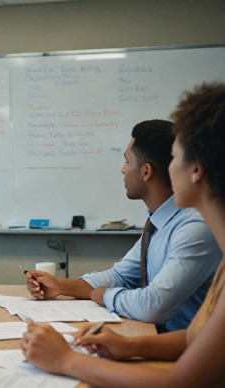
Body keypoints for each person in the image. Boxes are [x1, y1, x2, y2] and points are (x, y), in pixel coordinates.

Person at [21, 82, 225, 386]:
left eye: (177, 156)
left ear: (196, 169)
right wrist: (127, 344)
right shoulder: (169, 228)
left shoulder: (196, 228)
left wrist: (66, 360)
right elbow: (197, 337)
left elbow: (182, 382)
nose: (170, 167)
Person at [26, 119, 220, 331]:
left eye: (127, 161)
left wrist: (104, 294)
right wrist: (61, 285)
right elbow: (120, 276)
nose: (122, 169)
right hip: (159, 338)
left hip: (182, 351)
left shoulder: (194, 227)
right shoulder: (158, 222)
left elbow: (153, 305)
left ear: (146, 172)